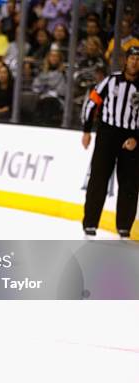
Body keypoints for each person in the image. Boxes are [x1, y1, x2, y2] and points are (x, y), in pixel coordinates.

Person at [81, 46, 139, 239]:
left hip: (131, 138)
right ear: (126, 60)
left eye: (138, 59)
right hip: (107, 134)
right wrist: (87, 130)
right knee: (98, 179)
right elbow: (92, 102)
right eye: (132, 58)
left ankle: (124, 228)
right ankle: (90, 224)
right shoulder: (111, 80)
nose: (135, 62)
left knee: (130, 184)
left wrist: (137, 139)